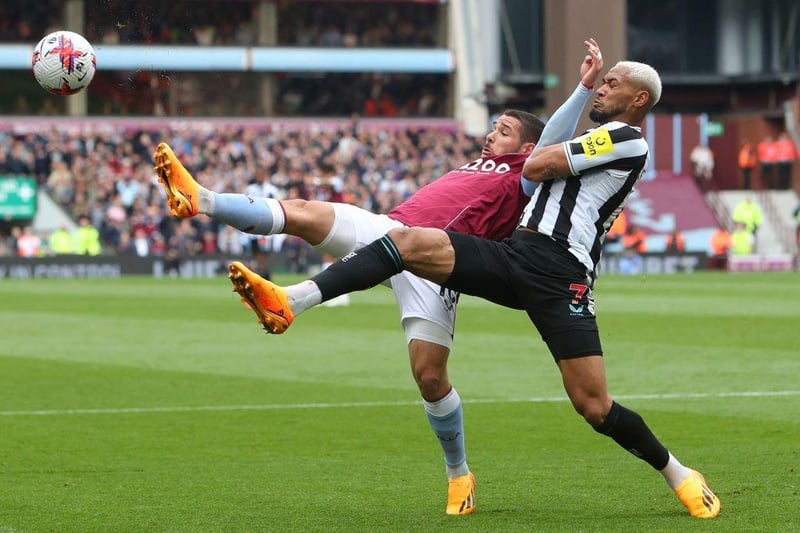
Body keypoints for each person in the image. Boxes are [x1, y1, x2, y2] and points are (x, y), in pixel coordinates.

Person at [227, 58, 722, 519]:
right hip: (517, 254)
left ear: (639, 99)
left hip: (560, 274)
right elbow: (540, 158)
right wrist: (574, 99)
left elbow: (534, 165)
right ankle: (292, 300)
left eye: (613, 83)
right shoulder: (597, 136)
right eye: (604, 80)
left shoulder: (627, 138)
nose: (604, 87)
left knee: (594, 406)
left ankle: (678, 473)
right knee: (406, 241)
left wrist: (541, 154)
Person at [153, 38, 606, 517]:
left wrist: (581, 87)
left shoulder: (525, 174)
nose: (492, 135)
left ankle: (459, 474)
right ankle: (202, 200)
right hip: (390, 235)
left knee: (430, 377)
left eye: (504, 130)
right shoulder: (480, 163)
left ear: (529, 147)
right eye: (493, 127)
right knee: (304, 212)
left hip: (438, 265)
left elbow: (555, 137)